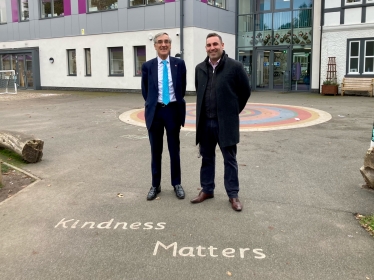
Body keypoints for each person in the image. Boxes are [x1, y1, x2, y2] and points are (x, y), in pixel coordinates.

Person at [191, 33, 251, 211]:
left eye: (215, 44)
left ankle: (233, 194)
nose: (212, 48)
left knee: (230, 160)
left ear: (222, 45)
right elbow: (199, 91)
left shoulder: (235, 67)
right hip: (206, 123)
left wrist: (233, 111)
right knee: (207, 158)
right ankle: (207, 190)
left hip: (226, 123)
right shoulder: (200, 68)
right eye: (209, 45)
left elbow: (245, 91)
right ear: (206, 48)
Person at [141, 32, 187, 201]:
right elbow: (146, 92)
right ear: (155, 45)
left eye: (166, 42)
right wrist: (155, 103)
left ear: (170, 45)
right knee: (156, 151)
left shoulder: (179, 64)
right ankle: (155, 185)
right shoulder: (148, 66)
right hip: (156, 112)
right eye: (160, 42)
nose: (163, 44)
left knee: (174, 150)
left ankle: (177, 184)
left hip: (173, 111)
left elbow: (182, 87)